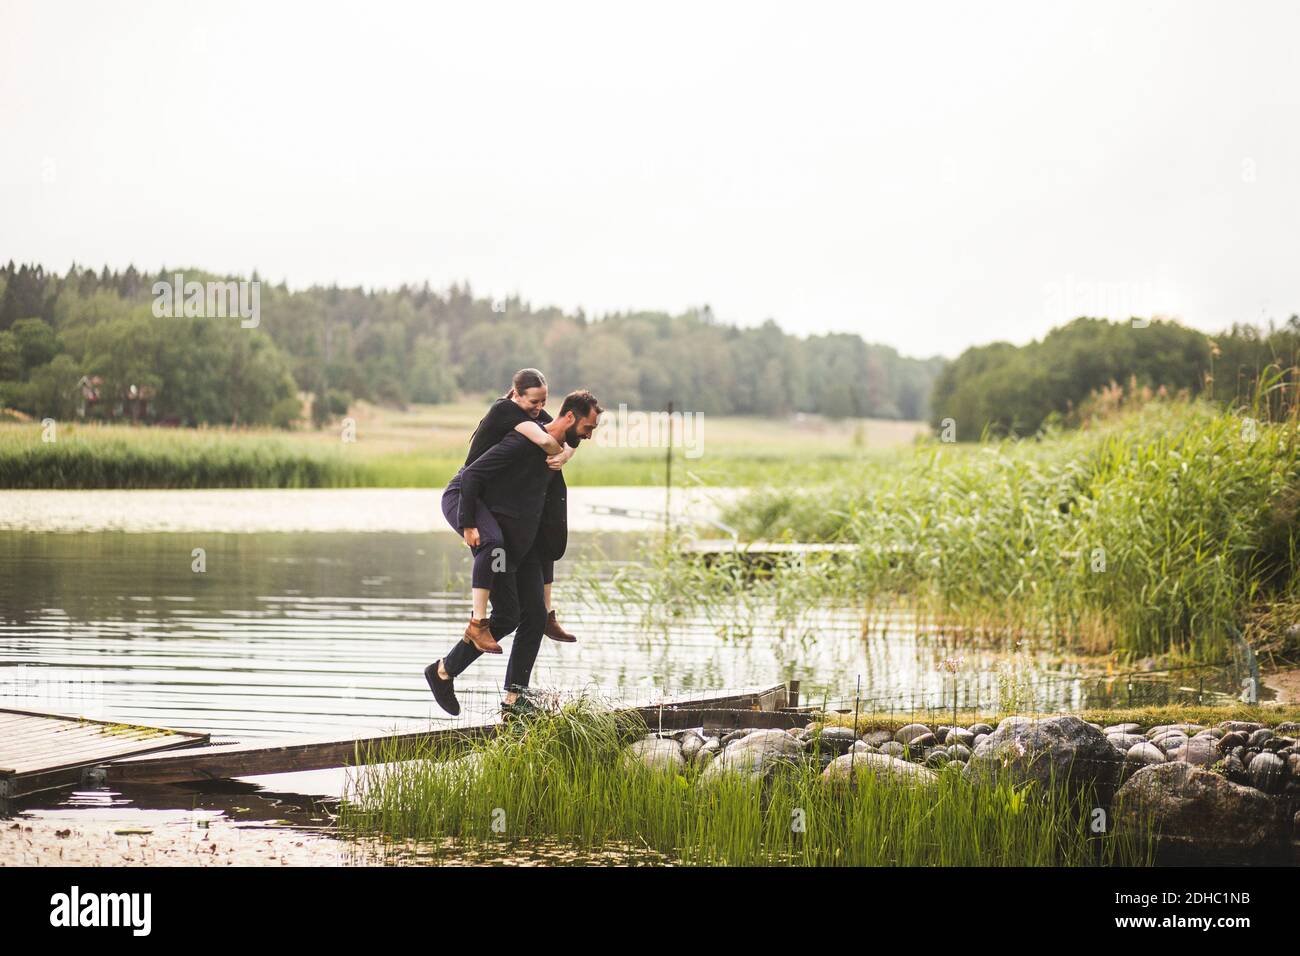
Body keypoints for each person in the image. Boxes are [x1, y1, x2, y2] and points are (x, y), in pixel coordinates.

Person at [425, 390, 602, 718]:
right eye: (588, 426)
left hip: (526, 542)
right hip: (501, 542)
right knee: (507, 615)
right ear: (569, 417)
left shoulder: (555, 455)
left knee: (534, 614)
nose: (590, 434)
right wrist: (468, 524)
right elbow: (473, 475)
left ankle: (514, 700)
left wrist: (565, 456)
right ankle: (442, 672)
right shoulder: (521, 442)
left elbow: (546, 513)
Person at [453, 368, 581, 646]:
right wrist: (468, 523)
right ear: (515, 395)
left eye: (544, 402)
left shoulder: (531, 414)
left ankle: (546, 615)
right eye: (534, 402)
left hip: (486, 494)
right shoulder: (506, 411)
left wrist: (566, 454)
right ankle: (477, 622)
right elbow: (547, 440)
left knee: (543, 534)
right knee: (493, 543)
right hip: (465, 489)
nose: (540, 408)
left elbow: (565, 434)